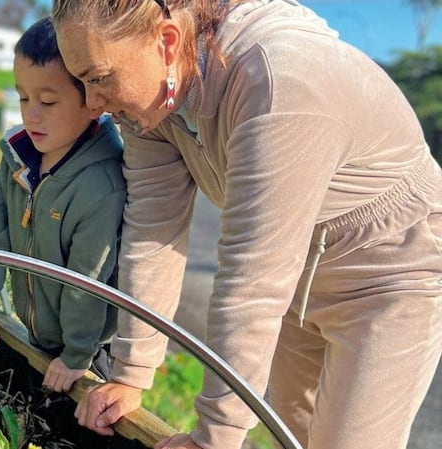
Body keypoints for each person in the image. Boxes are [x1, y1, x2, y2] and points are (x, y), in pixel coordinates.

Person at [50, 1, 442, 448]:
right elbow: (152, 232)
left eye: (99, 77)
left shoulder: (279, 83)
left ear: (167, 41)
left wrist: (212, 437)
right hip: (297, 278)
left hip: (390, 275)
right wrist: (131, 372)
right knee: (291, 435)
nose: (92, 103)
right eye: (81, 80)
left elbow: (252, 279)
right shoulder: (153, 102)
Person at [0, 17, 126, 394]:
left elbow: (89, 280)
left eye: (48, 101)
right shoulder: (16, 159)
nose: (31, 114)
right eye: (23, 97)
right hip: (38, 332)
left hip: (90, 350)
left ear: (92, 101)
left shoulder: (100, 185)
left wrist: (76, 357)